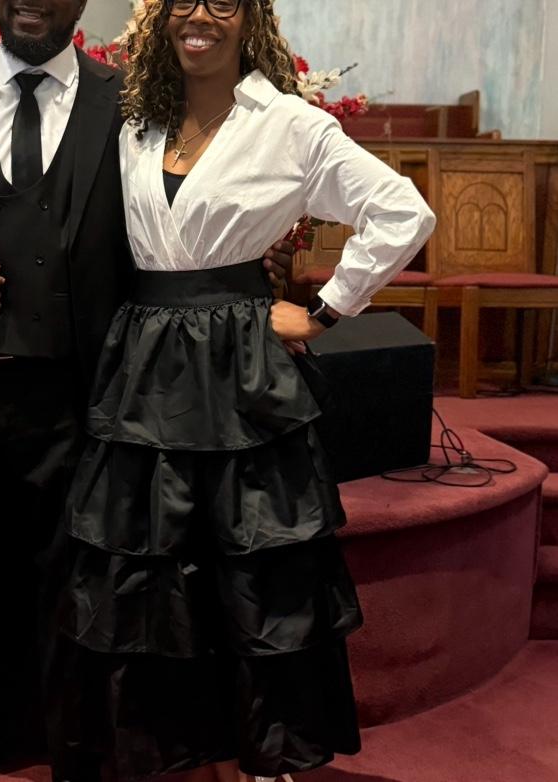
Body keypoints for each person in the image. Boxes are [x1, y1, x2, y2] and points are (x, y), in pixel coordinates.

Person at [0, 0, 294, 779]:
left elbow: (183, 206)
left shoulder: (132, 103)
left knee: (84, 584)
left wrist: (250, 257)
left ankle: (78, 748)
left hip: (92, 393)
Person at [47, 1, 437, 781]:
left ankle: (265, 754)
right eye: (182, 1)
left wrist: (327, 309)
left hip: (239, 366)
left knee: (252, 561)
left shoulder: (289, 123)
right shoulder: (135, 123)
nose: (199, 16)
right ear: (160, 19)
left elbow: (402, 211)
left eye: (221, 1)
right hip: (144, 359)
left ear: (249, 20)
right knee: (150, 561)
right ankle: (166, 745)